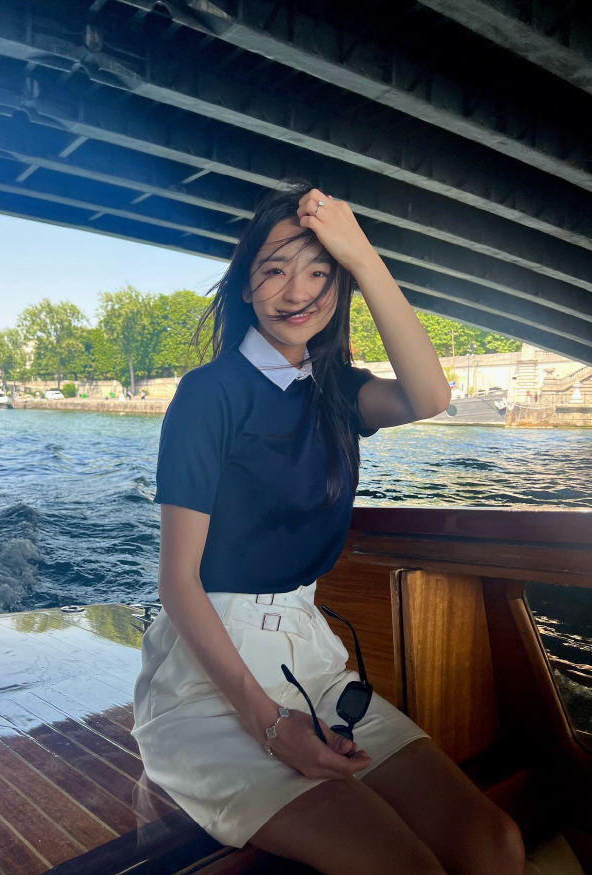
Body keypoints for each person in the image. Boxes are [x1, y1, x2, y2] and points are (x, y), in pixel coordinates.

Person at [132, 183, 525, 875]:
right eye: (275, 269)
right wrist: (269, 723)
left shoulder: (337, 388)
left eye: (320, 272)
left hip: (310, 659)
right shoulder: (208, 393)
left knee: (493, 844)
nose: (298, 292)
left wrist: (364, 257)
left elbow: (431, 396)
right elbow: (178, 581)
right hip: (208, 681)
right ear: (246, 284)